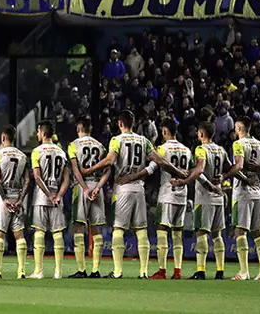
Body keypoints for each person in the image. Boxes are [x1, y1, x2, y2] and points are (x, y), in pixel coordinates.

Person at [83, 110, 186, 279]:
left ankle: (117, 272)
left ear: (121, 124)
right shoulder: (143, 140)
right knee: (141, 230)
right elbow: (159, 161)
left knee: (118, 229)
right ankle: (143, 272)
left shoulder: (117, 140)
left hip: (123, 187)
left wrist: (90, 170)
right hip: (139, 189)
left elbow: (109, 161)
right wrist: (178, 172)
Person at [223, 117, 260, 280]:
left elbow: (238, 166)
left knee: (240, 231)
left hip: (243, 193)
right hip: (257, 193)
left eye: (236, 128)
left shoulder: (239, 144)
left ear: (239, 128)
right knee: (258, 232)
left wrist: (225, 176)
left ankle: (244, 271)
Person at [176, 122, 229, 280]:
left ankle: (201, 270)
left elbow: (200, 170)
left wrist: (185, 181)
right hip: (218, 197)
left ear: (201, 134)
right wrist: (224, 178)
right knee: (217, 235)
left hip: (204, 197)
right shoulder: (221, 150)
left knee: (201, 233)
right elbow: (228, 167)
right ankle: (220, 271)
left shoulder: (201, 149)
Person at [0, 124, 29, 280]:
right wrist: (20, 199)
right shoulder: (23, 156)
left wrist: (4, 199)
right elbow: (27, 181)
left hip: (2, 198)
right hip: (18, 198)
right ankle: (21, 271)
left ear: (3, 137)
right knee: (19, 234)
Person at [150, 119, 192, 280]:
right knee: (177, 233)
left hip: (167, 193)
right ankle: (178, 270)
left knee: (162, 230)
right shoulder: (187, 150)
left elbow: (152, 168)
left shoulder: (162, 149)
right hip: (182, 195)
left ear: (165, 131)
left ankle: (162, 270)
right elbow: (194, 170)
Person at [67, 118, 107, 278]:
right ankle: (96, 270)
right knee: (97, 230)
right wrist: (97, 187)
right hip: (97, 187)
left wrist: (84, 188)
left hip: (81, 188)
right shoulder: (100, 146)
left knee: (79, 228)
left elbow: (76, 170)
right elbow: (108, 170)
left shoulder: (73, 145)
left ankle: (81, 269)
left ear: (79, 127)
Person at [30, 120, 69, 279]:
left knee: (39, 232)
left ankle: (38, 271)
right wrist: (58, 195)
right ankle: (58, 271)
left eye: (38, 131)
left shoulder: (36, 151)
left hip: (42, 197)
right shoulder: (61, 152)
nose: (37, 134)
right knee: (57, 233)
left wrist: (48, 194)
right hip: (57, 198)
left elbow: (38, 178)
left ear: (43, 132)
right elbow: (66, 178)